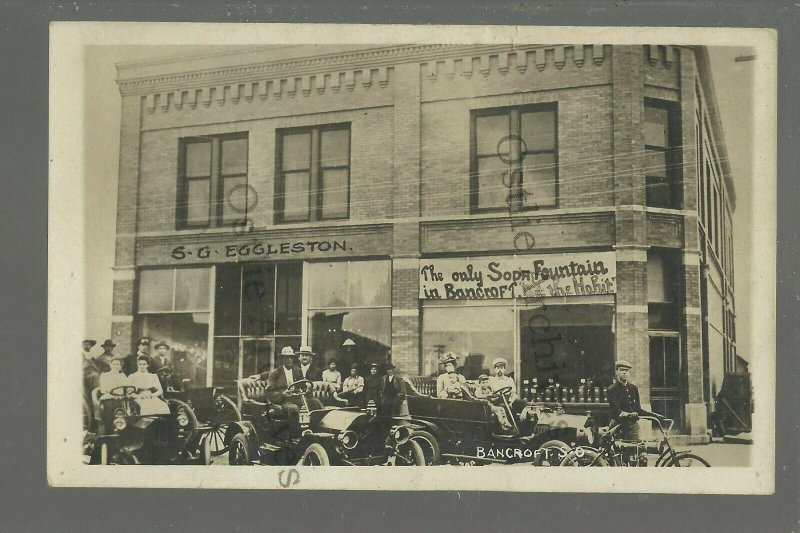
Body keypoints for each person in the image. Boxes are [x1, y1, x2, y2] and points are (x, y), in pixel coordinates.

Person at [249, 347, 320, 438]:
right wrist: (283, 394)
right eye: (287, 358)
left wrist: (308, 389)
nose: (290, 360)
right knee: (293, 409)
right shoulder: (275, 373)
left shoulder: (298, 371)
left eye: (291, 357)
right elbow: (269, 392)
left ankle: (315, 431)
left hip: (297, 398)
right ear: (282, 359)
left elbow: (302, 386)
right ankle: (296, 436)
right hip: (282, 402)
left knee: (315, 402)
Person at [607, 359, 665, 441]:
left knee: (636, 449)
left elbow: (638, 409)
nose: (624, 373)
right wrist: (629, 414)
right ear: (617, 372)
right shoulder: (612, 389)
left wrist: (655, 416)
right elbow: (616, 410)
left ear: (629, 372)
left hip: (633, 427)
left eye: (626, 371)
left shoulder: (633, 388)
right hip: (618, 426)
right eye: (621, 370)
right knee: (618, 451)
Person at [487, 357, 529, 427]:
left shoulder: (509, 380)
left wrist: (512, 402)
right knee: (505, 406)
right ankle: (511, 427)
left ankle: (525, 424)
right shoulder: (491, 381)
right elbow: (490, 394)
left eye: (502, 368)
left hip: (510, 400)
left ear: (504, 369)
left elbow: (513, 393)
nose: (500, 370)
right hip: (498, 402)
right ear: (495, 369)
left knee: (523, 402)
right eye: (498, 368)